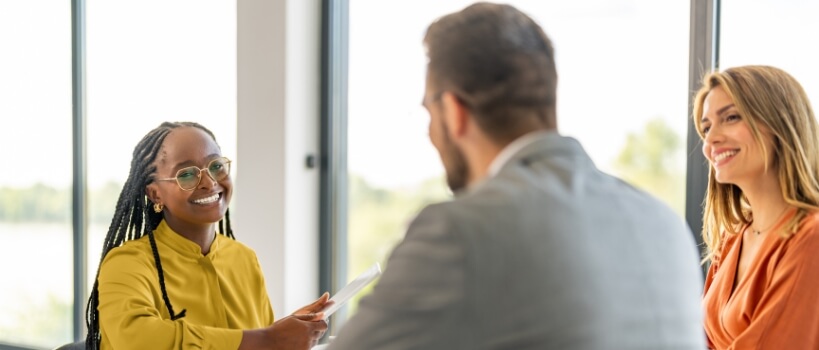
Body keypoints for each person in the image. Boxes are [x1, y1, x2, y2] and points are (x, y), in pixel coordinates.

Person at [327, 3, 705, 349]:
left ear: (454, 111)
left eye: (428, 111)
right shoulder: (664, 222)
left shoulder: (459, 232)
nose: (428, 132)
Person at [86, 121, 330, 350]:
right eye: (187, 175)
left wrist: (285, 332)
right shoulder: (127, 263)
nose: (209, 182)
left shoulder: (244, 258)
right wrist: (267, 339)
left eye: (216, 166)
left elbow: (260, 342)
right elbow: (137, 339)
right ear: (155, 194)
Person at [697, 66, 819, 349]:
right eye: (705, 127)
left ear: (780, 123)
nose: (710, 140)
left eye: (730, 117)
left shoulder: (811, 238)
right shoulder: (731, 241)